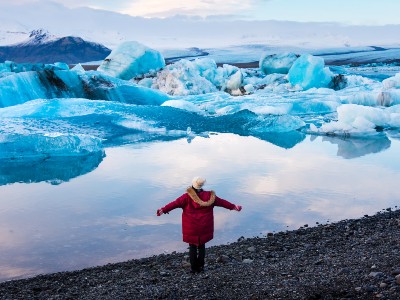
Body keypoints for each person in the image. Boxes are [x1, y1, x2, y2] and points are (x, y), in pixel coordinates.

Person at [156, 177, 242, 273]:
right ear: (202, 185)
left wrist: (163, 210)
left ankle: (194, 269)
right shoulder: (210, 196)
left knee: (192, 247)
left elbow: (174, 204)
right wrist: (234, 207)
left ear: (193, 184)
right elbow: (223, 202)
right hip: (205, 226)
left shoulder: (186, 197)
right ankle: (201, 267)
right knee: (202, 246)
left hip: (191, 227)